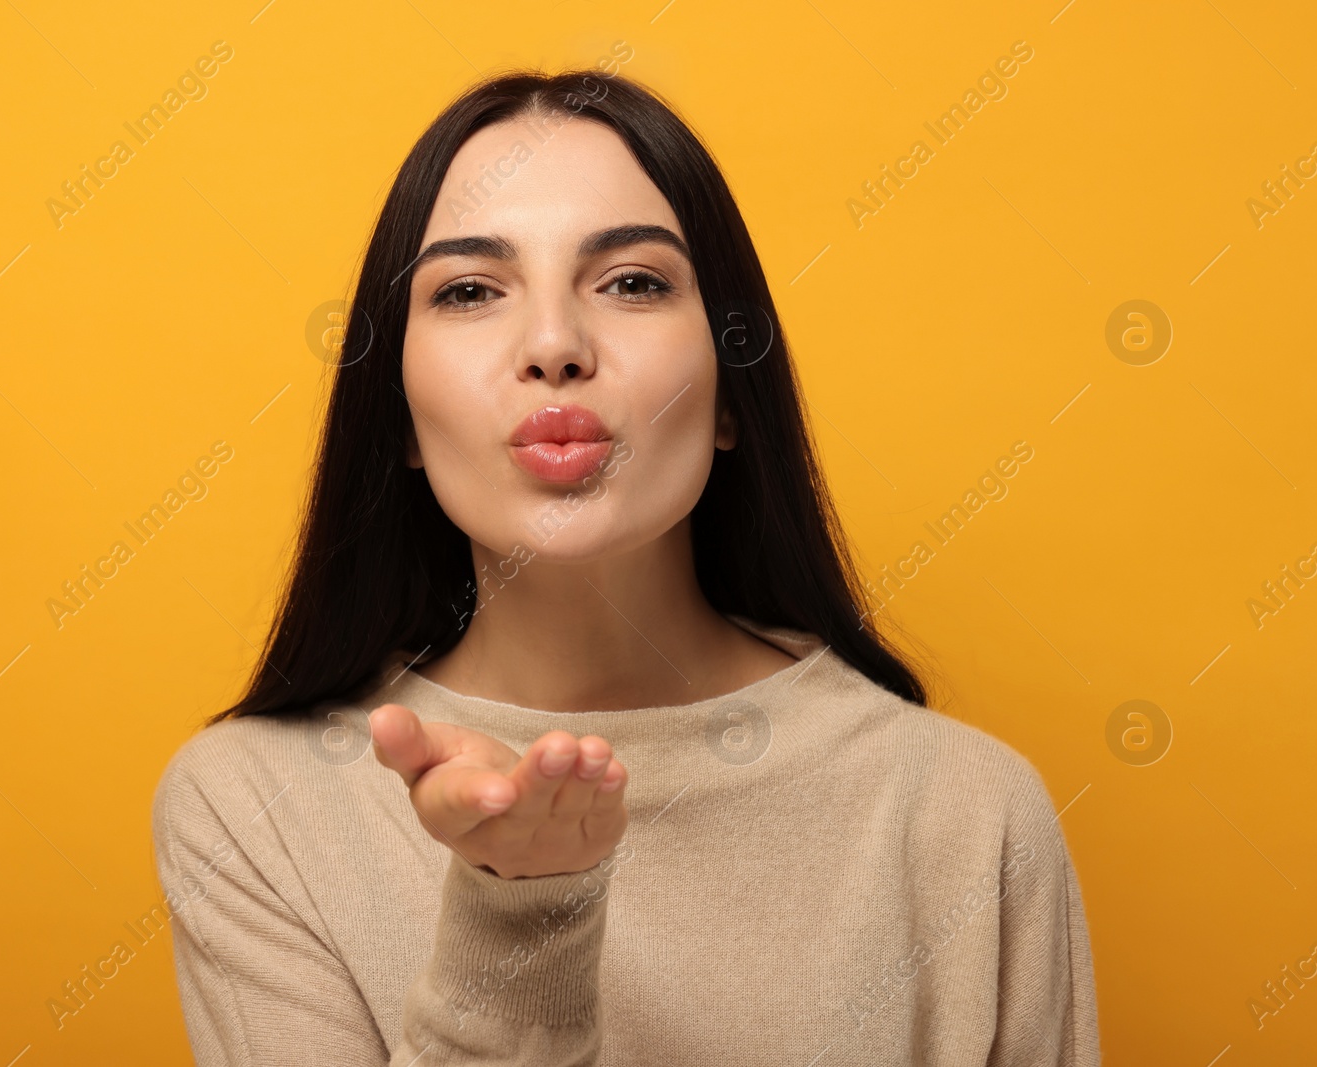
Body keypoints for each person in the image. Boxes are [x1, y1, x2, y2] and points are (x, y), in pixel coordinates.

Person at [150, 67, 1099, 1066]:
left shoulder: (966, 811)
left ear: (733, 394)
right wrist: (519, 914)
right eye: (470, 290)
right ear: (399, 422)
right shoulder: (253, 807)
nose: (554, 345)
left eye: (633, 283)